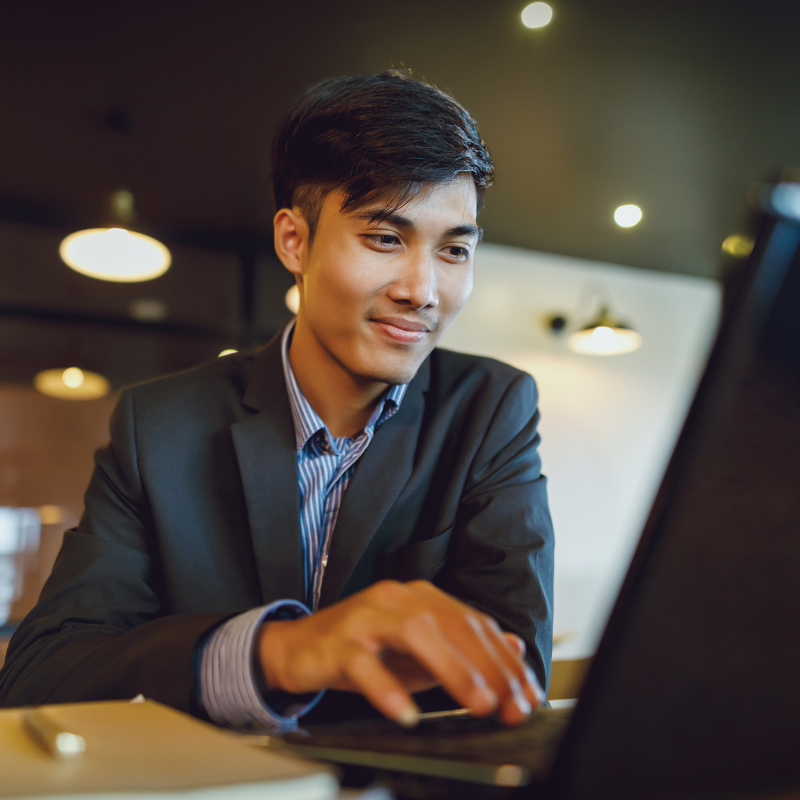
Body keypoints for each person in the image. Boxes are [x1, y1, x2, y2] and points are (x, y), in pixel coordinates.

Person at [0, 71, 554, 732]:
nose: (423, 289)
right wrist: (279, 652)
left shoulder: (490, 409)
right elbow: (43, 673)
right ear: (295, 241)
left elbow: (515, 677)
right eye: (384, 238)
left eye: (454, 250)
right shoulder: (159, 425)